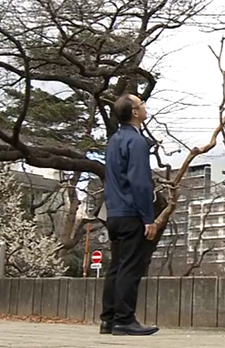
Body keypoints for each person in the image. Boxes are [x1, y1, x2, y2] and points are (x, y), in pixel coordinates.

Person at [99, 94, 160, 336]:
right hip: (131, 211)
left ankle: (109, 319)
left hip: (113, 212)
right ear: (135, 112)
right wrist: (148, 217)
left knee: (116, 266)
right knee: (130, 267)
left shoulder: (114, 140)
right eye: (141, 104)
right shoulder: (137, 142)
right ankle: (125, 319)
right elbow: (140, 182)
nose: (145, 107)